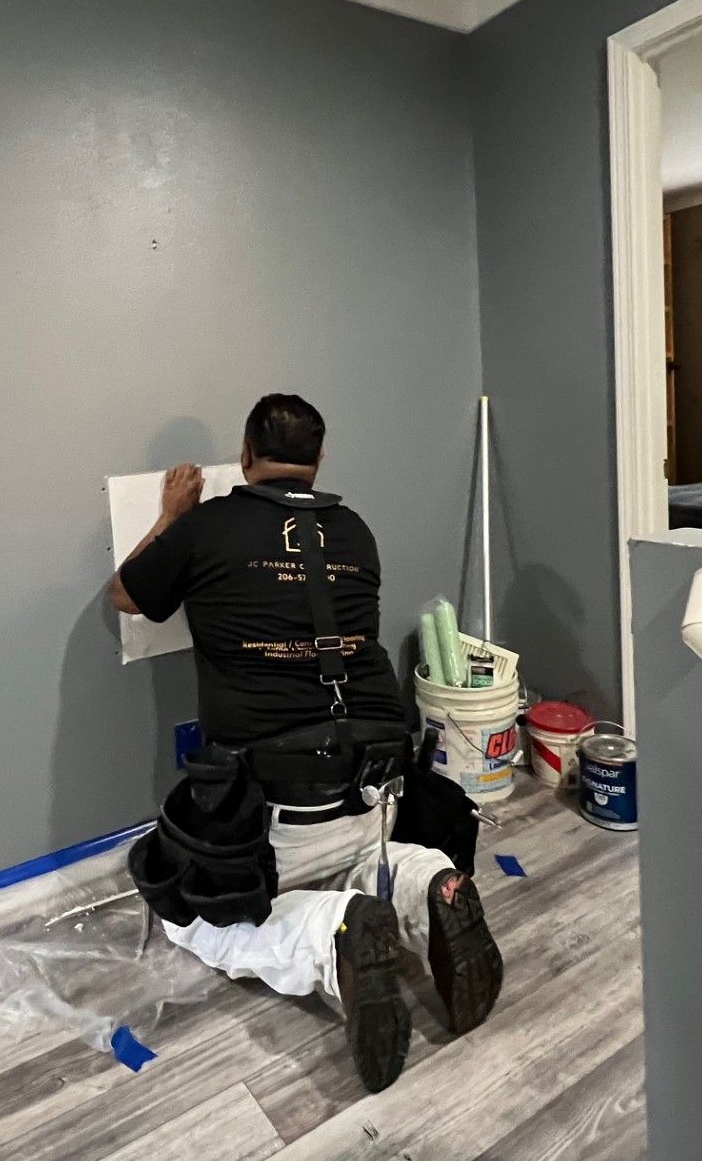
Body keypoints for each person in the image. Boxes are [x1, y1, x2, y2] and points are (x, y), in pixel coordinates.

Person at [110, 394, 502, 1091]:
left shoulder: (206, 526)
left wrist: (173, 515)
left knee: (190, 917)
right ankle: (426, 883)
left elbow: (125, 595)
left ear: (245, 456)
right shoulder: (355, 532)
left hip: (277, 808)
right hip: (380, 788)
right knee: (362, 862)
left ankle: (332, 935)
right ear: (319, 461)